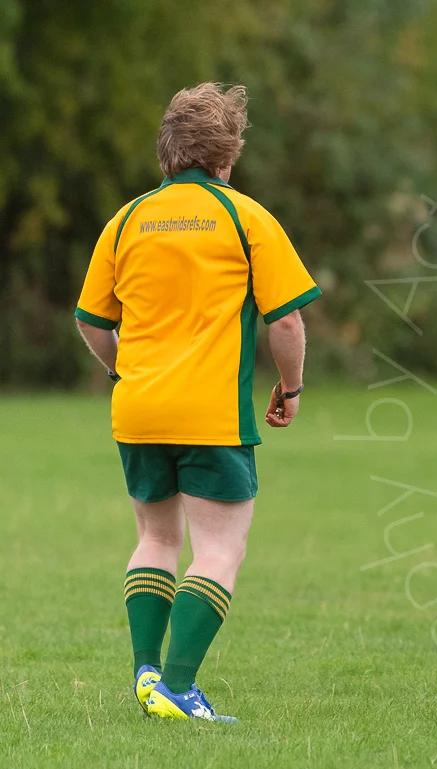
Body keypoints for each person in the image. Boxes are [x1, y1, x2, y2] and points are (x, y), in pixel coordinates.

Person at [73, 83, 321, 723]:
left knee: (156, 538)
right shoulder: (246, 217)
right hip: (212, 414)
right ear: (227, 156)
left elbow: (92, 321)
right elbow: (287, 324)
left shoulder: (126, 220)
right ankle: (178, 689)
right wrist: (291, 389)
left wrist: (122, 369)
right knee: (220, 550)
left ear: (167, 151)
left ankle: (146, 673)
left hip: (138, 410)